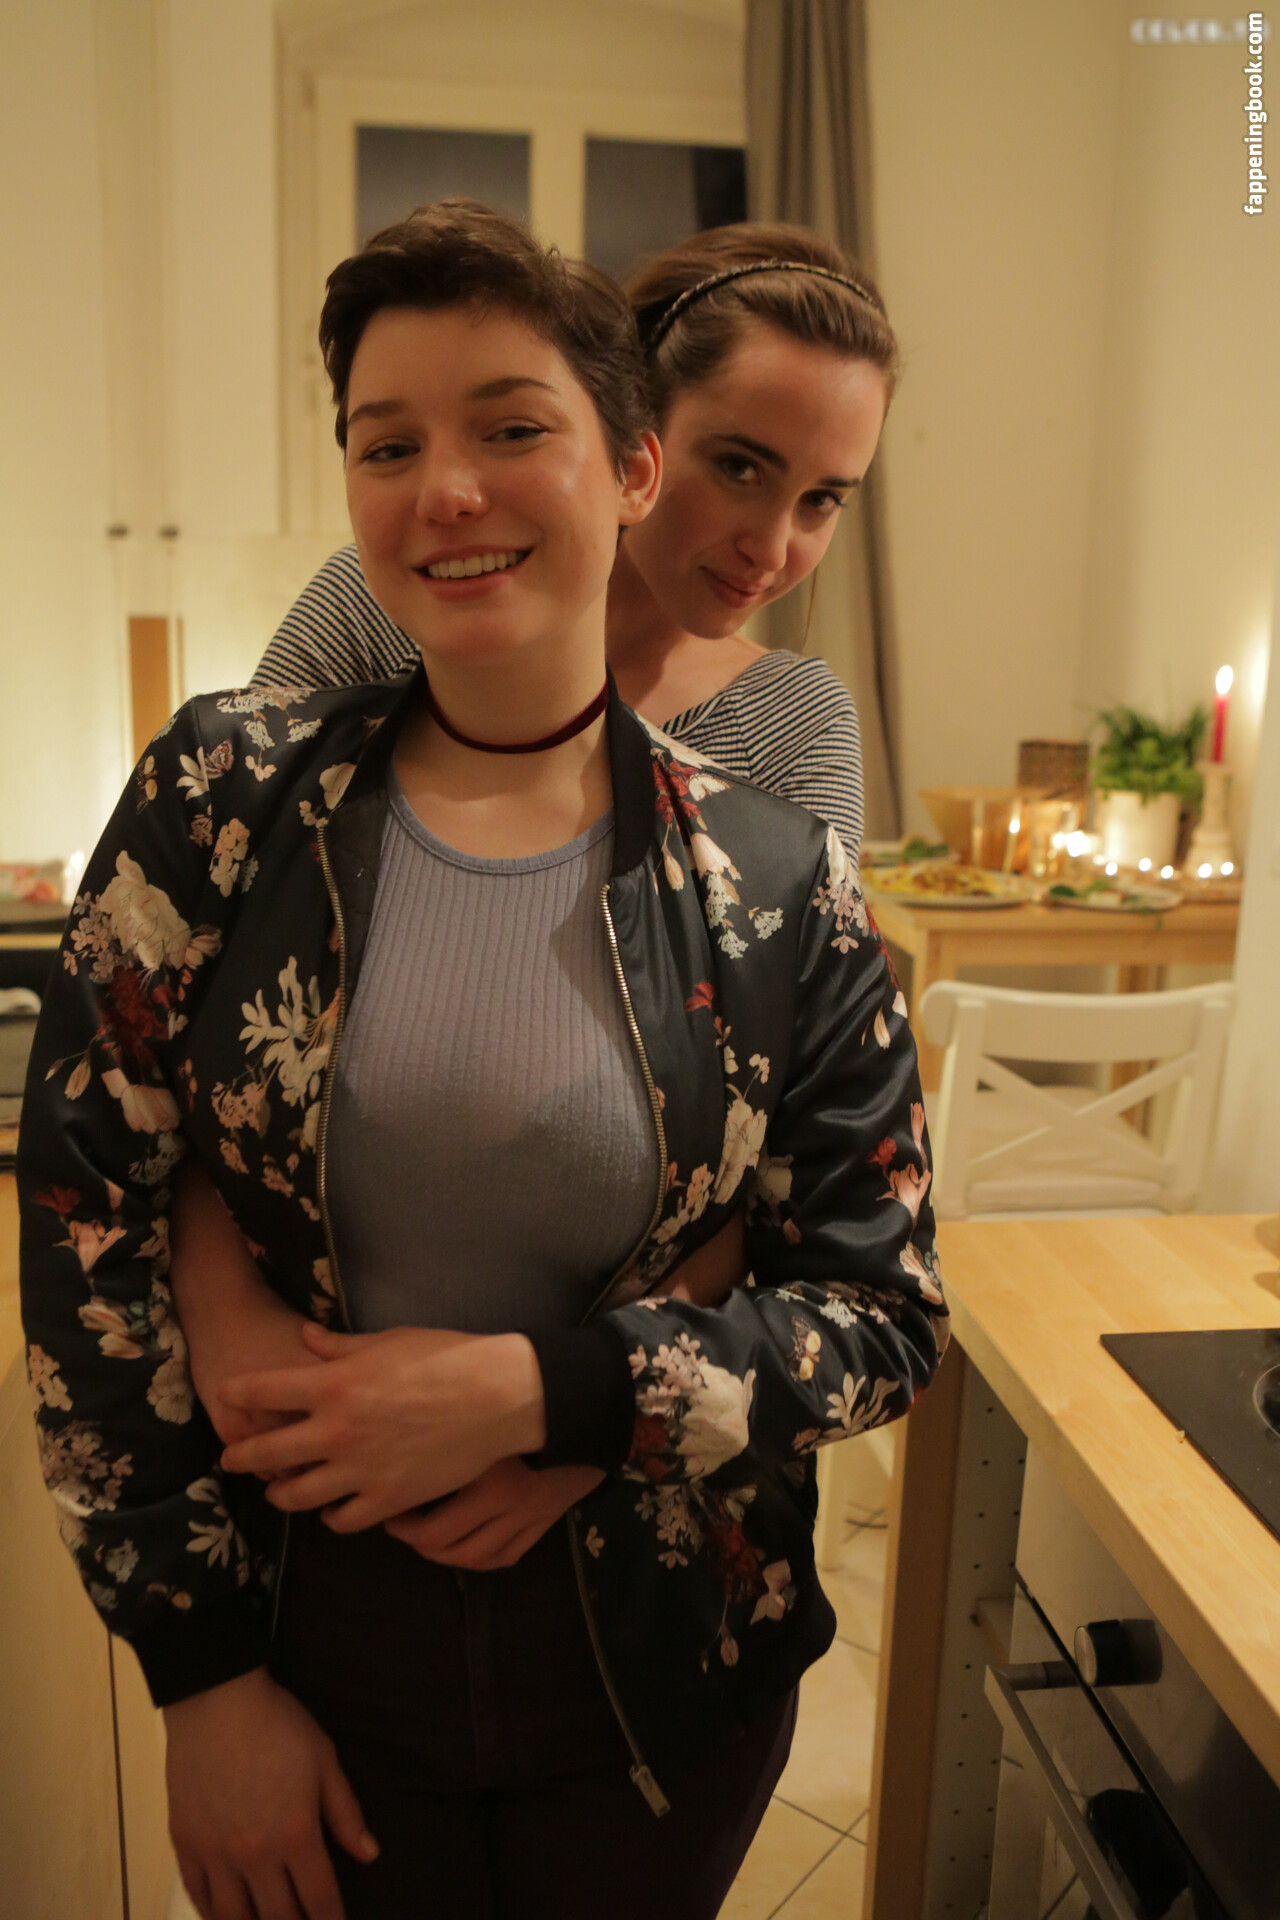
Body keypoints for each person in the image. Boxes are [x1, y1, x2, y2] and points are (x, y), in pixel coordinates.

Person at [19, 202, 946, 1920]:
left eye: (514, 429)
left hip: (662, 1652)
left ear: (625, 465)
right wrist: (198, 1672)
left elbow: (879, 1310)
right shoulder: (227, 795)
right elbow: (91, 1207)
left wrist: (552, 1397)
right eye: (388, 446)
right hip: (307, 1631)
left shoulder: (775, 866)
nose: (448, 490)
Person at [255, 218, 899, 863]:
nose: (772, 550)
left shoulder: (792, 723)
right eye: (739, 468)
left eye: (822, 500)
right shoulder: (374, 611)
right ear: (632, 440)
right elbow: (235, 853)